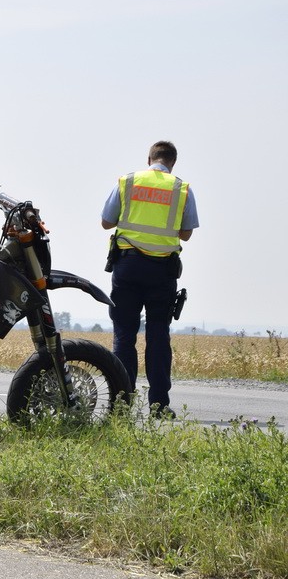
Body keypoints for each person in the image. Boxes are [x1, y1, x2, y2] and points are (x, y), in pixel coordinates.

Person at [101, 140, 199, 419]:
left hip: (127, 266)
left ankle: (121, 402)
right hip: (162, 271)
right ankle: (158, 405)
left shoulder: (127, 181)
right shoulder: (181, 189)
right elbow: (187, 233)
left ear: (149, 159)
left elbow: (106, 222)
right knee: (158, 336)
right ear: (172, 163)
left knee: (124, 335)